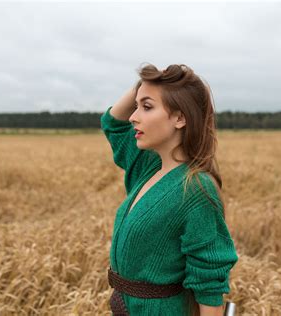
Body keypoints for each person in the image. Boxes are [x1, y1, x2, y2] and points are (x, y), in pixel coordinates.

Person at [100, 63, 239, 316]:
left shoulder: (196, 189)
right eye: (137, 105)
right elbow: (113, 123)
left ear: (180, 117)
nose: (133, 115)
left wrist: (154, 83)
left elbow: (209, 285)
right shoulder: (149, 167)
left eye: (147, 107)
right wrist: (147, 83)